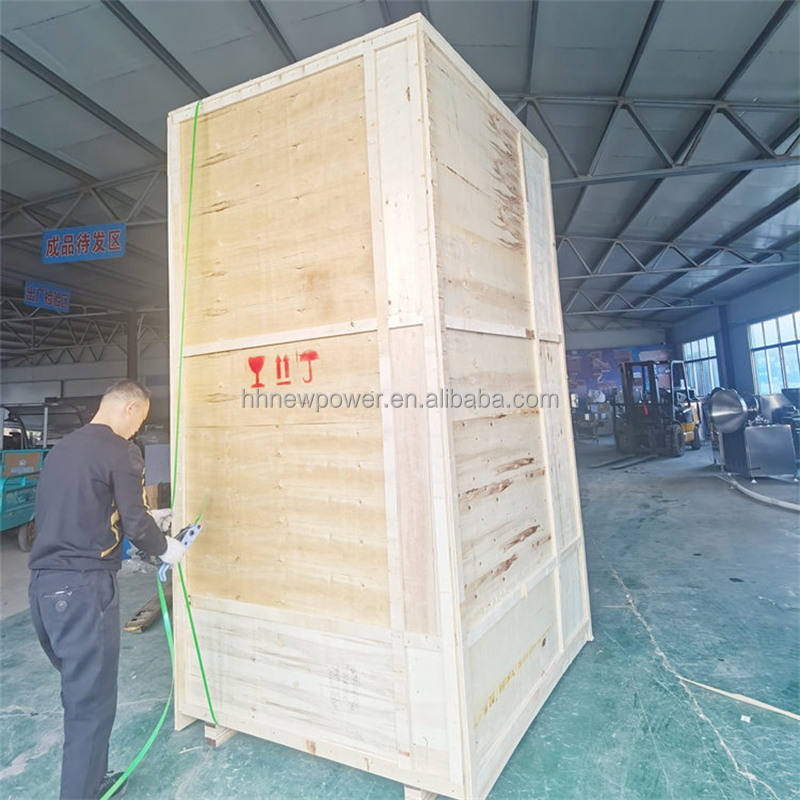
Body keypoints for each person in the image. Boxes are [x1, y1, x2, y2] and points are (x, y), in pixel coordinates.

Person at [28, 380, 187, 800]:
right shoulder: (121, 451)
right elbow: (135, 522)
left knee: (79, 693)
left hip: (44, 589)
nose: (137, 430)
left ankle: (91, 780)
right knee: (91, 704)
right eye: (140, 421)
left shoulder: (60, 451)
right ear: (130, 408)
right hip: (83, 588)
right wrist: (166, 548)